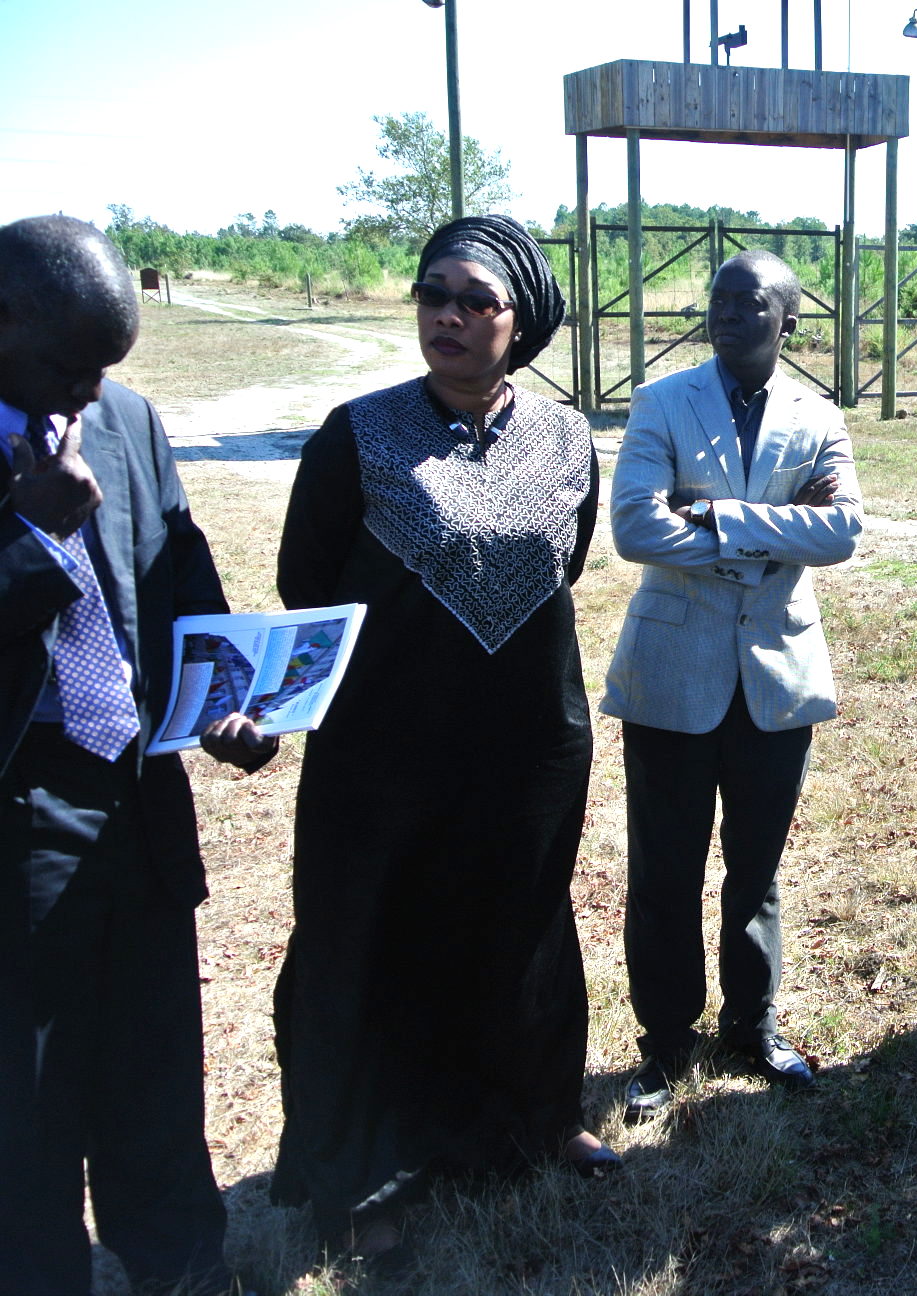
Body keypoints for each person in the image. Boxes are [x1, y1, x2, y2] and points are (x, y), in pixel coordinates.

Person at [272, 214, 612, 1265]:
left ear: (522, 324)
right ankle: (363, 1172)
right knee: (366, 935)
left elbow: (568, 565)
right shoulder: (357, 433)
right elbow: (304, 580)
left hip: (527, 738)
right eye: (432, 296)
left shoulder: (567, 439)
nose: (448, 317)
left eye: (475, 301)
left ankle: (530, 1125)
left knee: (520, 923)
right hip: (382, 745)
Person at [0, 215, 276, 1296]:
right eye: (69, 362)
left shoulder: (125, 418)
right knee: (26, 1100)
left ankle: (183, 1268)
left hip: (136, 797)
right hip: (21, 816)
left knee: (155, 1072)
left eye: (108, 367)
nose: (87, 391)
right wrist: (26, 538)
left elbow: (177, 561)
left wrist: (225, 697)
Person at [604, 249, 863, 1122]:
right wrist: (773, 535)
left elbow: (841, 533)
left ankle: (751, 1027)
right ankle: (666, 1045)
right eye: (717, 299)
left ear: (787, 321)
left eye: (748, 302)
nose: (724, 312)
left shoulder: (819, 416)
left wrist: (716, 513)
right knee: (664, 870)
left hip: (777, 676)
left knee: (757, 868)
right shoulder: (662, 402)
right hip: (672, 671)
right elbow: (636, 526)